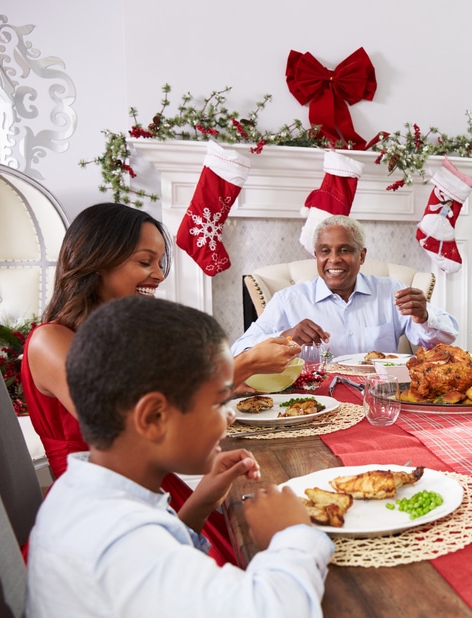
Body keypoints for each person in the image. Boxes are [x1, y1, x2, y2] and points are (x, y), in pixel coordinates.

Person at [26, 296, 333, 618]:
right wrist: (293, 536)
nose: (229, 419)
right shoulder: (115, 538)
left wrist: (200, 504)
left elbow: (156, 562)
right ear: (154, 417)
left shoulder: (84, 494)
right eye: (220, 403)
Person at [21, 202, 298, 565]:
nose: (159, 275)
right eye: (144, 261)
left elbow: (169, 405)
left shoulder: (122, 338)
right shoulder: (49, 340)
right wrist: (243, 364)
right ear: (98, 261)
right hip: (105, 514)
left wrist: (207, 494)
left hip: (159, 497)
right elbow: (135, 426)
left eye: (160, 263)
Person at [231, 214, 458, 358]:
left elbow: (445, 339)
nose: (334, 259)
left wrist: (424, 316)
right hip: (315, 402)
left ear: (362, 255)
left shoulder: (390, 291)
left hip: (380, 398)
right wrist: (286, 336)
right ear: (316, 256)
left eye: (345, 250)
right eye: (325, 251)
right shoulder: (288, 300)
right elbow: (239, 350)